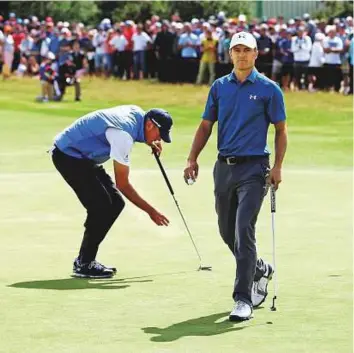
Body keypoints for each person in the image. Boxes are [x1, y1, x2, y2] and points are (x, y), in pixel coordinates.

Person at [183, 32, 288, 321]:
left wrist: (278, 166)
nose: (242, 55)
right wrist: (192, 158)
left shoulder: (269, 89)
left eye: (247, 50)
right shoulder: (219, 87)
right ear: (230, 55)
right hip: (224, 168)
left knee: (244, 229)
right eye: (236, 50)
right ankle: (258, 267)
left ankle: (243, 299)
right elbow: (206, 125)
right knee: (226, 231)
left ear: (256, 54)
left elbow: (280, 130)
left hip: (255, 168)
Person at [51, 105, 173, 278]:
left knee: (115, 203)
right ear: (150, 125)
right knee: (100, 207)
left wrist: (149, 141)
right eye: (159, 135)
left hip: (83, 157)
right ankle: (85, 263)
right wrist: (151, 211)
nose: (159, 139)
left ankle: (84, 260)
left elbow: (136, 130)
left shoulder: (138, 113)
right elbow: (122, 184)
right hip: (68, 155)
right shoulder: (123, 136)